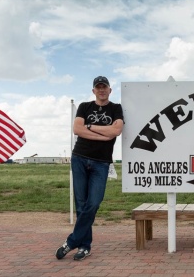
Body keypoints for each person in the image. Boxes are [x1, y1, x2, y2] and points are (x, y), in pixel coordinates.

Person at [55, 76, 124, 261]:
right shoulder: (84, 106)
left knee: (93, 203)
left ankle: (71, 241)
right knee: (81, 204)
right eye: (98, 87)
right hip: (79, 158)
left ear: (110, 90)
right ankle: (84, 246)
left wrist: (90, 127)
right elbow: (77, 129)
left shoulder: (116, 108)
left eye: (104, 87)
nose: (101, 90)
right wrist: (103, 134)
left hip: (101, 162)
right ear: (93, 91)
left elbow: (116, 130)